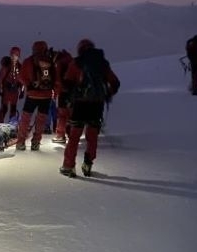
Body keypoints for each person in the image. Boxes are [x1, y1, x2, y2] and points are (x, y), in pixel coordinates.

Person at [60, 39, 120, 177]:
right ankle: (88, 164)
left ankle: (68, 166)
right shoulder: (102, 63)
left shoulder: (76, 63)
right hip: (97, 105)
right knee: (92, 136)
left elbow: (67, 84)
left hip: (80, 104)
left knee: (74, 136)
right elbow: (115, 83)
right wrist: (107, 94)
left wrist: (69, 97)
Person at [15, 41, 55, 151]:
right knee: (41, 120)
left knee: (25, 118)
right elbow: (55, 78)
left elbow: (20, 76)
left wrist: (29, 85)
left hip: (32, 95)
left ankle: (21, 142)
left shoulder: (28, 61)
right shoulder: (50, 60)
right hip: (46, 96)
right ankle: (36, 142)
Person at [0, 46, 23, 123]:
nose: (14, 57)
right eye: (13, 55)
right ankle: (0, 123)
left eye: (16, 55)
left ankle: (12, 124)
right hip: (6, 90)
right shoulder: (6, 66)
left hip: (15, 91)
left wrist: (22, 91)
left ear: (18, 56)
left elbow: (22, 80)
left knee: (13, 108)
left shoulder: (20, 67)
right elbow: (0, 78)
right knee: (4, 108)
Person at [51, 48, 73, 144]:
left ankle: (60, 135)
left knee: (62, 115)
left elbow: (58, 81)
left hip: (63, 93)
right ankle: (72, 134)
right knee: (71, 114)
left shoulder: (60, 63)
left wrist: (55, 93)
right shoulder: (71, 60)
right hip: (74, 93)